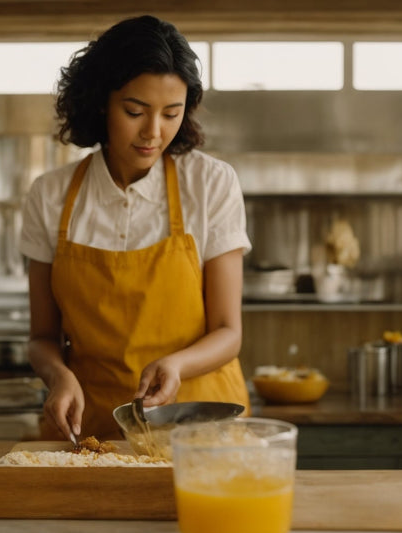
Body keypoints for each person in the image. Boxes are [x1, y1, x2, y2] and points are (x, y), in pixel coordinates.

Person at [19, 15, 251, 441]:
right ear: (101, 102)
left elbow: (228, 331)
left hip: (200, 428)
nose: (153, 132)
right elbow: (41, 337)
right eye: (134, 111)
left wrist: (177, 365)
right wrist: (59, 377)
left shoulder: (211, 184)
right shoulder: (49, 196)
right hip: (93, 428)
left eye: (171, 113)